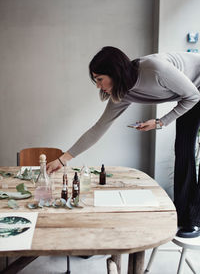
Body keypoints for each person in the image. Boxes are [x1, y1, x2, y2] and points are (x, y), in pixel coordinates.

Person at [47, 46, 200, 238]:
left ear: (115, 72)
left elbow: (193, 95)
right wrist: (63, 159)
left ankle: (194, 219)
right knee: (183, 149)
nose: (97, 85)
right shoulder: (122, 93)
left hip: (196, 88)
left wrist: (161, 122)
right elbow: (99, 128)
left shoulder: (154, 69)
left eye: (99, 79)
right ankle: (185, 216)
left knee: (187, 149)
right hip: (191, 95)